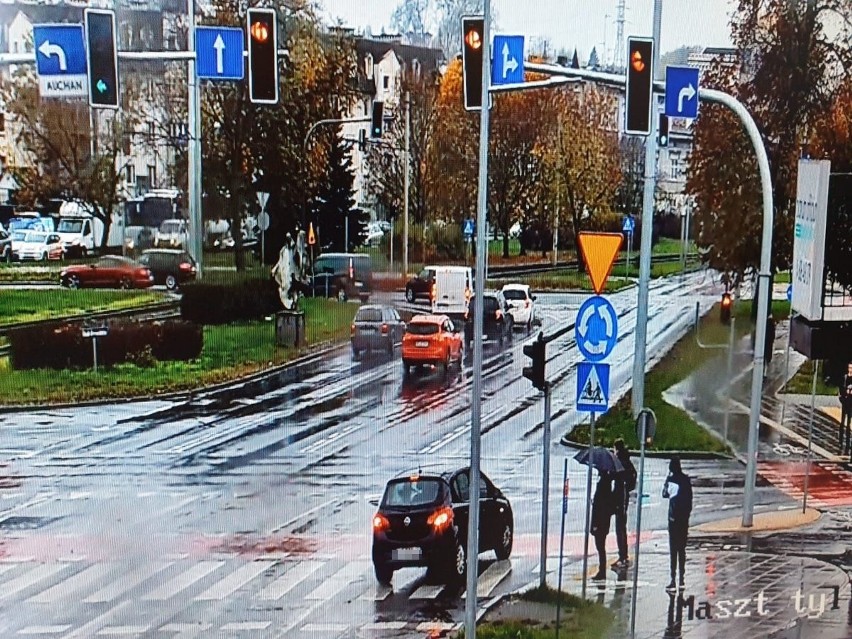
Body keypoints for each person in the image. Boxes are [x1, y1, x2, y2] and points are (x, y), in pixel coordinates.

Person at [662, 456, 693, 591]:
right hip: (684, 520)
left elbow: (664, 494)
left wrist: (667, 480)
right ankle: (682, 579)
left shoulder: (671, 480)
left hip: (673, 519)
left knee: (673, 550)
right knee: (682, 549)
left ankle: (673, 579)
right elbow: (690, 499)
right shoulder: (686, 480)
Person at [612, 438, 637, 569]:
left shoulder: (619, 463)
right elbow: (634, 476)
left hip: (620, 499)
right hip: (624, 497)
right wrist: (629, 488)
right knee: (622, 527)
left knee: (620, 528)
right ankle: (623, 555)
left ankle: (623, 556)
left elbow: (615, 479)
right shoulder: (627, 461)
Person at [590, 471, 615, 580]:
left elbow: (598, 508)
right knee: (601, 546)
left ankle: (602, 571)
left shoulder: (602, 486)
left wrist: (595, 524)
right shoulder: (607, 486)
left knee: (600, 546)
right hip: (604, 521)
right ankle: (602, 570)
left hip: (600, 522)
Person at [839, 361, 852, 457]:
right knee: (842, 421)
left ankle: (848, 441)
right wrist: (843, 394)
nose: (850, 369)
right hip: (845, 401)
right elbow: (841, 388)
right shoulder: (845, 377)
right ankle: (840, 440)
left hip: (851, 402)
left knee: (849, 422)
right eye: (849, 367)